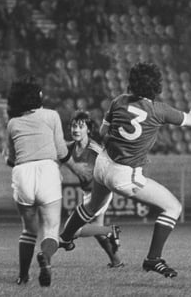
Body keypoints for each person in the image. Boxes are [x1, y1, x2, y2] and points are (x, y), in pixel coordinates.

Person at [59, 62, 191, 278]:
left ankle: (65, 237)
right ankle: (152, 259)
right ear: (156, 86)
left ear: (132, 82)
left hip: (102, 163)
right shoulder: (159, 110)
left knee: (91, 206)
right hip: (125, 174)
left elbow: (102, 131)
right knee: (173, 208)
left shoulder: (118, 101)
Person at [4, 76, 86, 287]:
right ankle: (46, 257)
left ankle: (23, 276)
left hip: (23, 173)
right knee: (51, 229)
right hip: (48, 170)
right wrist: (77, 170)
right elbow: (61, 151)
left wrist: (9, 157)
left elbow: (11, 160)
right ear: (38, 96)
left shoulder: (12, 123)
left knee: (28, 230)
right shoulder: (51, 115)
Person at [59, 111, 124, 268]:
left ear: (88, 130)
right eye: (74, 126)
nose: (76, 130)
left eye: (81, 126)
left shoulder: (95, 149)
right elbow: (58, 157)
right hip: (88, 193)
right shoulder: (69, 147)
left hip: (100, 193)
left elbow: (111, 162)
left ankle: (110, 230)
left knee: (72, 231)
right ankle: (116, 262)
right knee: (98, 232)